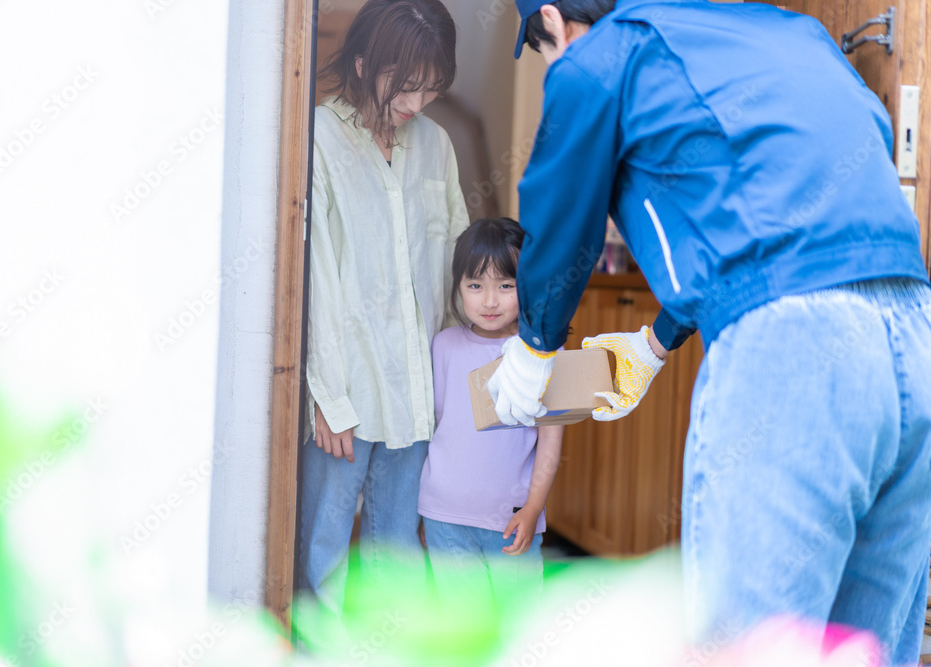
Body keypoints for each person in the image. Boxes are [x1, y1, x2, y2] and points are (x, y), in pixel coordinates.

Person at [486, 0, 931, 663]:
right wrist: (652, 345)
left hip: (793, 353)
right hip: (916, 337)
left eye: (546, 48)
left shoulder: (600, 57)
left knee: (747, 647)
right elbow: (758, 218)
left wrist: (533, 347)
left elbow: (560, 214)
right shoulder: (793, 33)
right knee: (865, 650)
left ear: (552, 20)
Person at [298, 0, 468, 617]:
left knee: (395, 555)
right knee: (323, 556)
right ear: (366, 61)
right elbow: (315, 275)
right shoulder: (317, 136)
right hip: (344, 385)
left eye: (430, 89)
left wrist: (456, 386)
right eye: (406, 86)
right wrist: (328, 396)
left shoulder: (437, 146)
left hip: (418, 389)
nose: (416, 104)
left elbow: (455, 264)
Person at [417, 218, 564, 617]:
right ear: (458, 288)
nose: (489, 301)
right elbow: (436, 428)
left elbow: (551, 442)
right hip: (444, 517)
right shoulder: (443, 346)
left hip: (511, 520)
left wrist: (534, 508)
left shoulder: (542, 356)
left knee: (518, 629)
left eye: (505, 285)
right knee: (466, 631)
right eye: (475, 285)